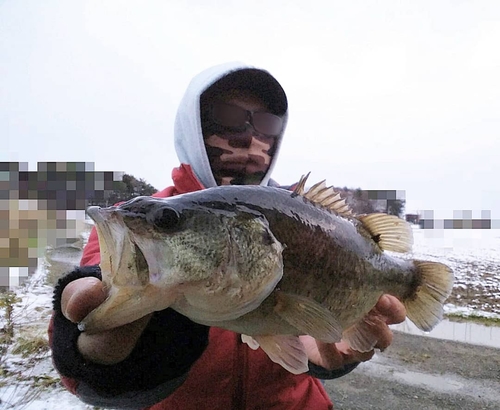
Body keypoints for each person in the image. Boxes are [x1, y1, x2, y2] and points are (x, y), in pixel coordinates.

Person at [49, 61, 407, 409]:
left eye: (267, 123)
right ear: (193, 124)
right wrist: (98, 360)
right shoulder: (140, 217)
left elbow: (310, 341)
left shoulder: (301, 217)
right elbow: (89, 331)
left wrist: (328, 356)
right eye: (230, 117)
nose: (252, 138)